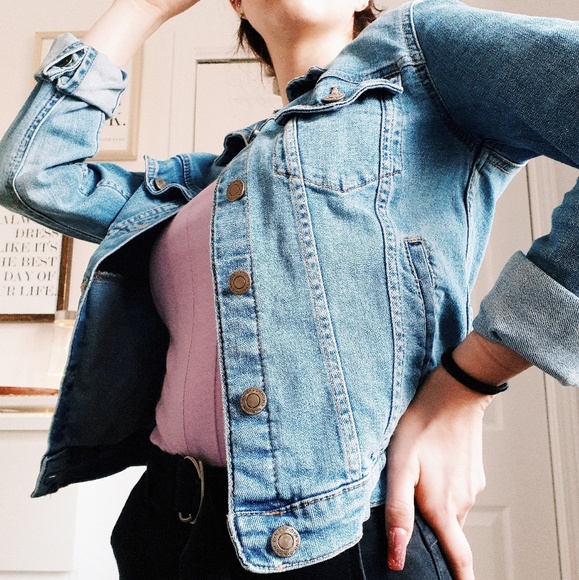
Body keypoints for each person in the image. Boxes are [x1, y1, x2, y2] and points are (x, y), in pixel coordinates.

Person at [0, 0, 578, 577]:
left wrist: (468, 383)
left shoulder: (417, 57)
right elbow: (32, 175)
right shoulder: (203, 185)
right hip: (166, 523)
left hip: (345, 535)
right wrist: (143, 8)